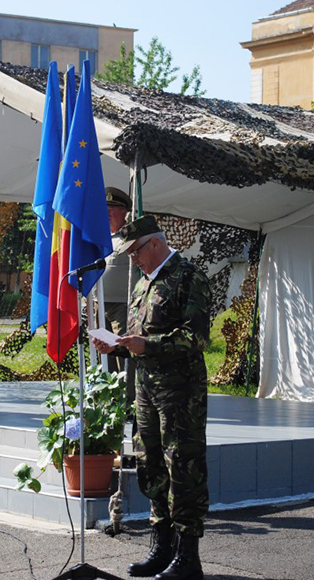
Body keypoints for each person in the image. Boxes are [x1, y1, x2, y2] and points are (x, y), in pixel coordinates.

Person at [93, 215, 211, 580]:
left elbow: (196, 338)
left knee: (183, 469)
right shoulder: (144, 283)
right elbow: (139, 337)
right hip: (146, 391)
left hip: (180, 394)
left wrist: (149, 345)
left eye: (135, 252)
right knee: (152, 467)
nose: (132, 259)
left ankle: (188, 558)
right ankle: (162, 547)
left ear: (155, 244)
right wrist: (117, 346)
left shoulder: (189, 278)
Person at [101, 186, 132, 376]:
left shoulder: (132, 237)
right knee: (104, 353)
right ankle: (109, 390)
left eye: (111, 210)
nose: (107, 214)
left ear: (124, 212)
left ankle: (127, 390)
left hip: (122, 305)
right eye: (105, 209)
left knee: (123, 350)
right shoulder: (99, 237)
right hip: (99, 304)